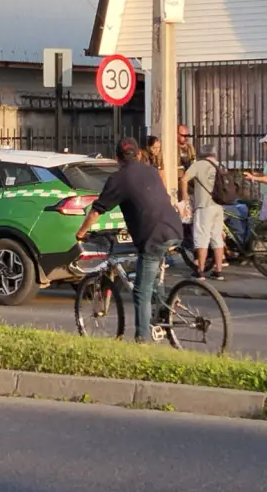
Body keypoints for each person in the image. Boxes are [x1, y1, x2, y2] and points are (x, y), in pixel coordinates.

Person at [75, 137, 183, 343]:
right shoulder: (151, 171)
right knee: (152, 278)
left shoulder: (118, 178)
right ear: (139, 154)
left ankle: (141, 339)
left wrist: (80, 233)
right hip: (174, 228)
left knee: (140, 291)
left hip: (152, 236)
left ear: (117, 158)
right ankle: (163, 312)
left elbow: (97, 211)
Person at [179, 144, 225, 281]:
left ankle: (200, 271)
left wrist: (185, 198)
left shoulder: (199, 165)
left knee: (201, 239)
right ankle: (218, 270)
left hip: (204, 206)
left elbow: (184, 179)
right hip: (218, 205)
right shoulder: (219, 165)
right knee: (217, 237)